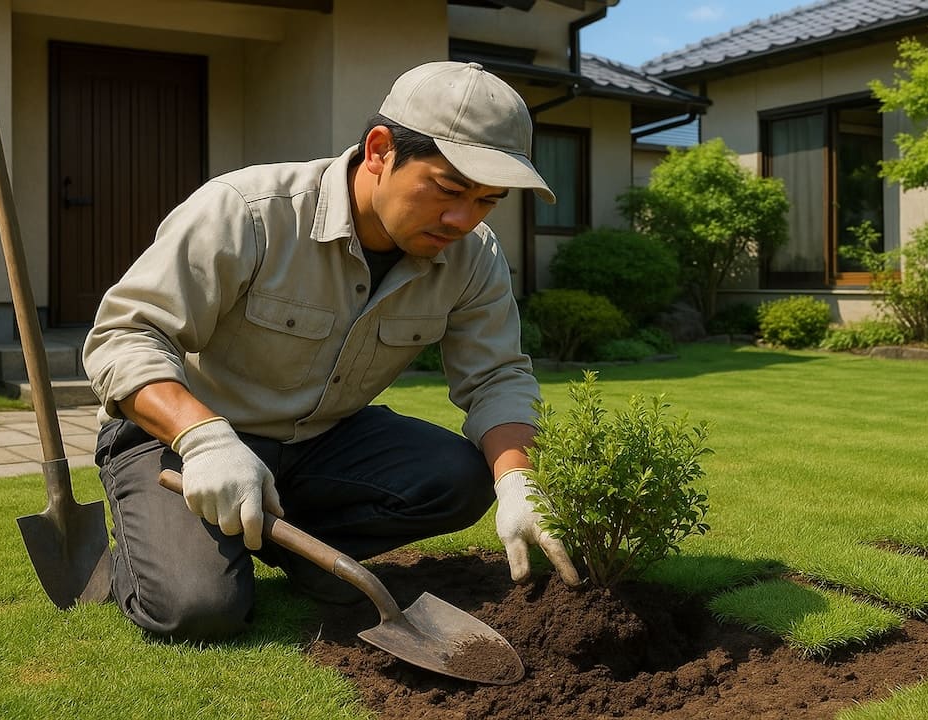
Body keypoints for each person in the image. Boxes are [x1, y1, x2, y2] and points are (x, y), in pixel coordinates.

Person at [83, 60, 581, 641]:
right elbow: (126, 336)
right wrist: (206, 440)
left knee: (461, 475)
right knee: (198, 609)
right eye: (448, 189)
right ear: (379, 150)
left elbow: (496, 376)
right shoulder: (249, 211)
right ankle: (143, 560)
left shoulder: (474, 255)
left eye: (488, 201)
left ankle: (302, 556)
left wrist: (518, 481)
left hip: (322, 442)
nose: (461, 219)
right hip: (181, 439)